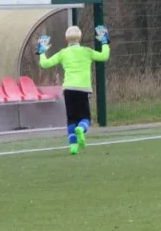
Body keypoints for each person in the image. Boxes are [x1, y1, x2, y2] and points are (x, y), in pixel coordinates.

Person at [37, 25, 110, 155]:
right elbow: (104, 56)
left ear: (66, 39)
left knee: (71, 119)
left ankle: (73, 147)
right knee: (85, 118)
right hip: (83, 89)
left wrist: (42, 52)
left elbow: (45, 64)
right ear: (80, 38)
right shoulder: (87, 51)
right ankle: (81, 129)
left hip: (68, 89)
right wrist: (104, 42)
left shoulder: (63, 53)